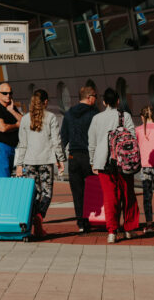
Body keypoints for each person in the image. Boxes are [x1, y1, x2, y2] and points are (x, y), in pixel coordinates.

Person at [88, 88, 139, 244]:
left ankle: (112, 232)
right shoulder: (125, 116)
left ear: (104, 102)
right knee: (127, 195)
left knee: (110, 198)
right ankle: (129, 229)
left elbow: (92, 143)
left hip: (103, 162)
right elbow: (133, 137)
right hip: (124, 161)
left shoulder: (96, 118)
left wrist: (92, 161)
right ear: (118, 101)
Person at [15, 89, 66, 238]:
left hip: (29, 162)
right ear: (45, 102)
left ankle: (35, 224)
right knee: (47, 193)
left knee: (33, 194)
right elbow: (56, 141)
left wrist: (19, 165)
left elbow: (22, 144)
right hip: (46, 161)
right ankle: (39, 216)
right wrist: (60, 159)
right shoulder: (51, 117)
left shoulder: (25, 119)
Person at [60, 85, 98, 232]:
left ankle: (81, 223)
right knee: (92, 189)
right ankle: (92, 218)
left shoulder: (69, 114)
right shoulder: (94, 113)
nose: (96, 99)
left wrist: (60, 158)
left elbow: (63, 137)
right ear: (89, 97)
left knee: (77, 191)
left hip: (73, 156)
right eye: (95, 96)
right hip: (89, 156)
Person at [0, 82, 23, 178]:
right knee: (1, 180)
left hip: (12, 148)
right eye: (5, 93)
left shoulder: (12, 108)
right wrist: (16, 125)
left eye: (10, 93)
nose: (8, 95)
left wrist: (12, 111)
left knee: (7, 180)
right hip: (1, 148)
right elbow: (2, 128)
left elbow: (25, 122)